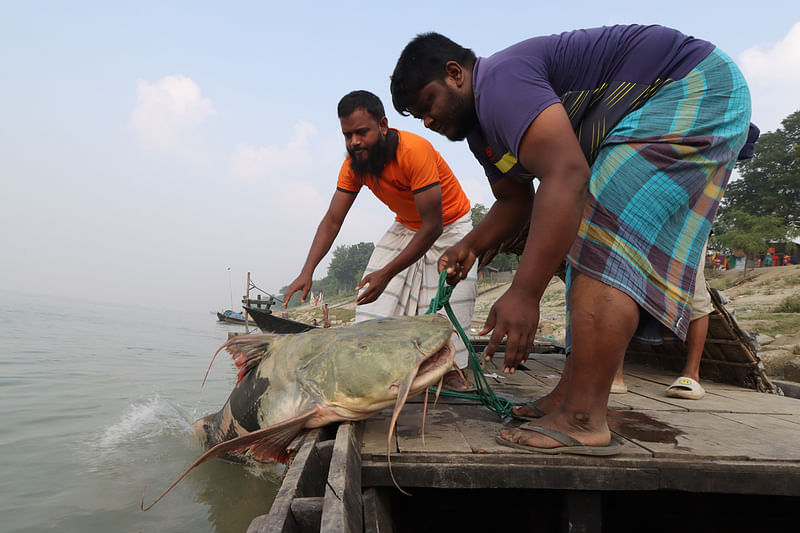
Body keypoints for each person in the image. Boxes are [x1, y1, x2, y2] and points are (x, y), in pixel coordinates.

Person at [391, 25, 753, 454]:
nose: (429, 121)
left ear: (455, 73)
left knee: (602, 235)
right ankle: (570, 395)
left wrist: (525, 293)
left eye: (428, 104)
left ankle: (583, 418)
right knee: (583, 233)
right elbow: (513, 200)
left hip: (692, 86)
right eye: (419, 117)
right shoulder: (482, 132)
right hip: (680, 94)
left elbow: (566, 173)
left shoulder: (500, 82)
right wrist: (470, 244)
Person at [283, 90, 478, 391]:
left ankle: (449, 371)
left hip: (450, 227)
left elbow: (433, 226)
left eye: (362, 132)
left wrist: (386, 274)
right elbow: (333, 220)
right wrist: (307, 270)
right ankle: (382, 369)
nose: (354, 142)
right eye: (348, 135)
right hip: (406, 225)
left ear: (383, 125)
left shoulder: (415, 151)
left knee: (449, 307)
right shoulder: (354, 165)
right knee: (374, 311)